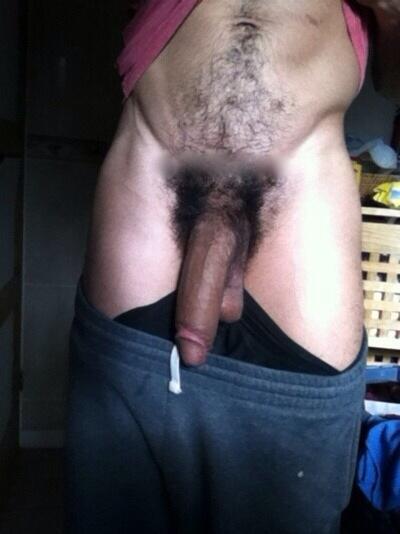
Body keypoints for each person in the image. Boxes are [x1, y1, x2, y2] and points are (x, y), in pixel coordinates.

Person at [65, 1, 400, 533]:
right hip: (151, 176)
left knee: (290, 503)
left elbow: (394, 82)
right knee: (115, 502)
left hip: (300, 205)